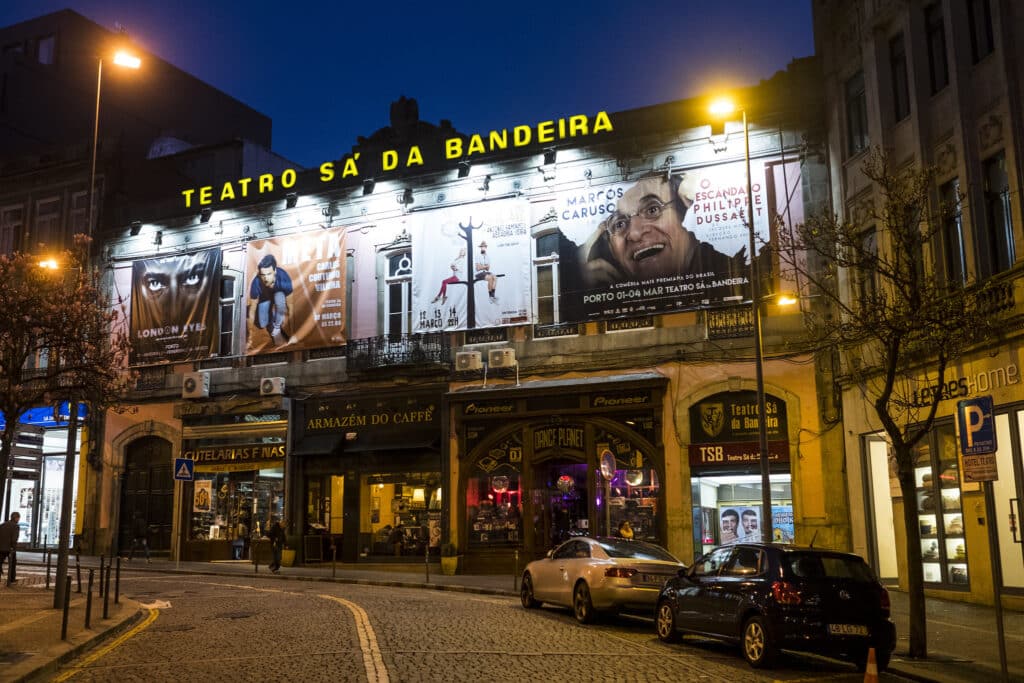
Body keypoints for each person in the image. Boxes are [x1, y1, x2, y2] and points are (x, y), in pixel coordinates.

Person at [580, 172, 747, 288]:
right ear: (610, 250)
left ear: (686, 214)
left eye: (652, 210)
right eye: (619, 224)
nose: (635, 234)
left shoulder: (737, 272)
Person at [249, 254, 294, 346]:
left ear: (275, 271)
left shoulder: (284, 278)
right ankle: (272, 319)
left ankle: (277, 327)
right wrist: (249, 337)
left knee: (280, 297)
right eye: (263, 275)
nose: (265, 278)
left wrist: (293, 333)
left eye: (269, 274)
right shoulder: (256, 282)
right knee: (262, 324)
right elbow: (252, 311)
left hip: (278, 294)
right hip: (264, 298)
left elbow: (290, 306)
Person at [0, 512, 21, 582]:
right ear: (16, 518)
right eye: (18, 518)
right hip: (10, 548)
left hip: (1, 547)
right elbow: (14, 539)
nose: (18, 519)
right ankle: (11, 578)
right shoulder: (16, 526)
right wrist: (14, 547)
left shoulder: (3, 525)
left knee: (0, 562)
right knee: (12, 563)